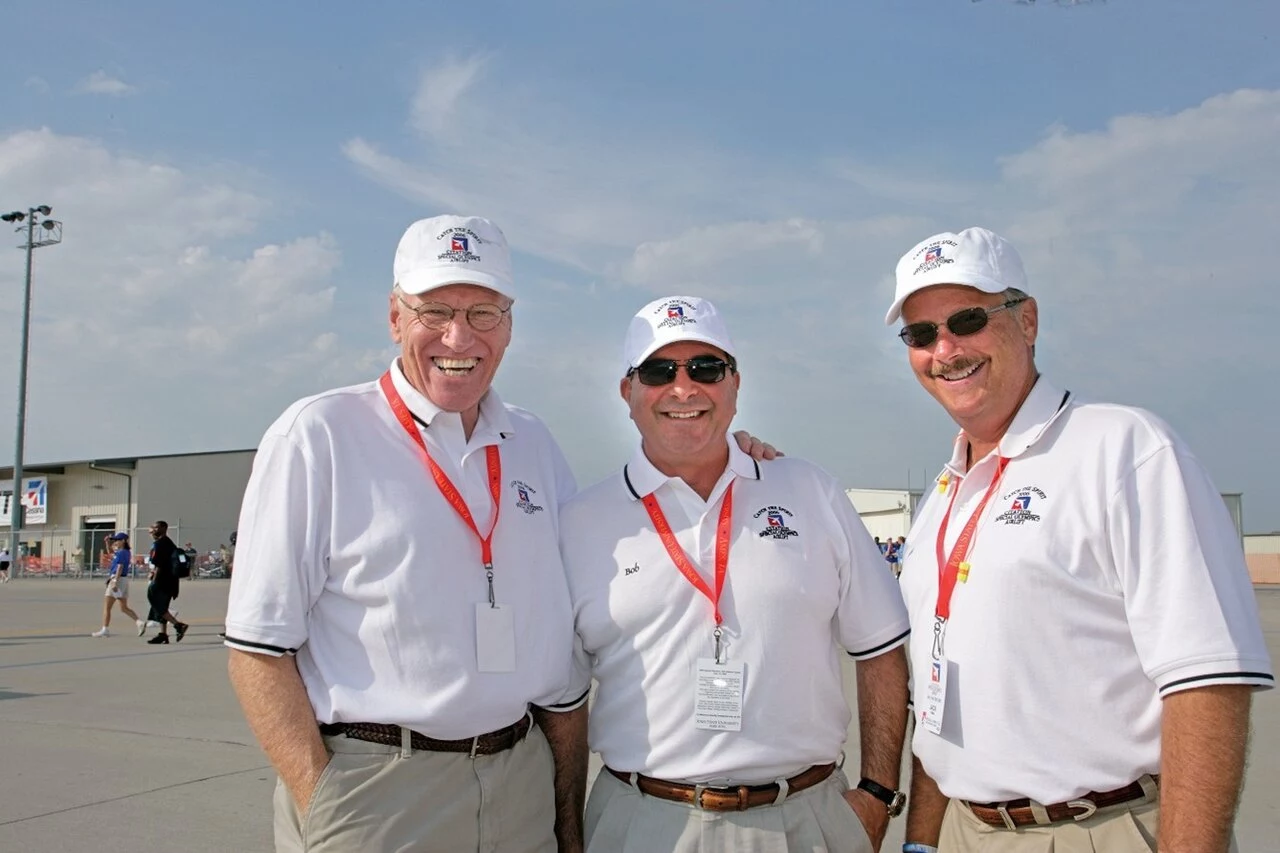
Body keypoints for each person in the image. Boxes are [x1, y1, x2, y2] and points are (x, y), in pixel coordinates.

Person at [222, 216, 778, 853]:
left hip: (519, 779)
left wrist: (727, 460)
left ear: (509, 326)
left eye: (484, 312)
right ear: (395, 317)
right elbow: (258, 649)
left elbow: (613, 549)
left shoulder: (531, 442)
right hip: (379, 786)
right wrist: (322, 798)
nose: (459, 336)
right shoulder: (319, 435)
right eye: (435, 310)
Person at [884, 227, 1274, 853]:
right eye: (921, 334)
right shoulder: (944, 494)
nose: (946, 349)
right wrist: (924, 841)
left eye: (968, 319)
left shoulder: (1125, 450)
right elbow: (941, 693)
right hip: (964, 831)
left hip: (1094, 830)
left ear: (1027, 320)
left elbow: (1208, 683)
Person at [561, 295, 912, 853]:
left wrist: (877, 793)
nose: (684, 388)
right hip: (643, 822)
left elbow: (879, 648)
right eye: (658, 371)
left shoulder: (809, 490)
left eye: (706, 368)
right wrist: (569, 833)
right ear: (627, 392)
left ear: (735, 384)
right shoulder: (577, 522)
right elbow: (564, 702)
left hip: (806, 817)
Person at [90, 533, 146, 637]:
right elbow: (111, 553)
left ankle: (105, 629)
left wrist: (115, 581)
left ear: (123, 541)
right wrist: (108, 542)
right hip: (124, 580)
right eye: (115, 540)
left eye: (118, 540)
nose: (115, 542)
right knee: (123, 607)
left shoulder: (121, 553)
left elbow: (120, 566)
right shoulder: (125, 552)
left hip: (117, 579)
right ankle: (139, 622)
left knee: (107, 607)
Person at [145, 520, 189, 644]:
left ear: (163, 528)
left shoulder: (161, 544)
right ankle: (163, 634)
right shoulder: (167, 542)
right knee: (161, 605)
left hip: (163, 581)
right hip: (170, 581)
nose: (153, 530)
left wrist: (154, 581)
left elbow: (158, 564)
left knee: (156, 602)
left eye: (155, 528)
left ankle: (178, 625)